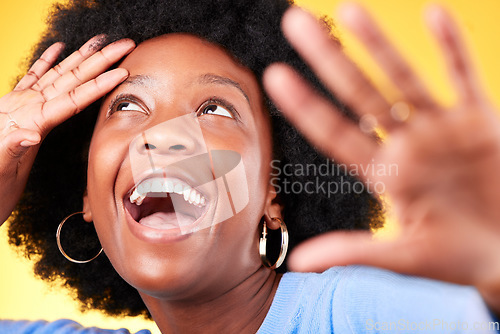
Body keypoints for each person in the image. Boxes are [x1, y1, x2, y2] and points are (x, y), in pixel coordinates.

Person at [0, 0, 498, 333]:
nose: (163, 139)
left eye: (214, 109)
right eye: (129, 106)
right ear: (86, 194)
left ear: (271, 196)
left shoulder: (352, 313)